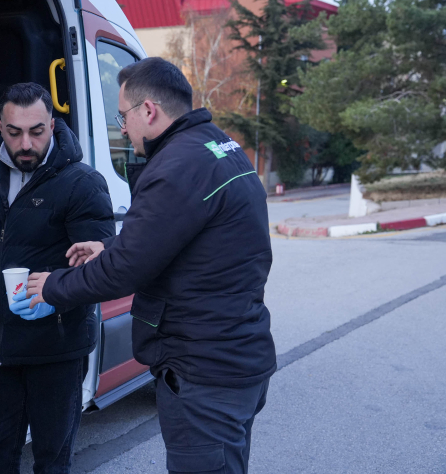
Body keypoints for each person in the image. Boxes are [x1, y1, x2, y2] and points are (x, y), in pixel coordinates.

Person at [25, 58, 276, 474]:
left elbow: (126, 270)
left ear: (148, 110)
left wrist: (53, 287)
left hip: (204, 372)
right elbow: (181, 238)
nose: (123, 129)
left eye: (123, 116)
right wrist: (109, 247)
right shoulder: (218, 146)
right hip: (238, 355)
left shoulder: (177, 167)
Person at [0, 82, 115, 473]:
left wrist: (56, 296)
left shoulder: (81, 183)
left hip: (56, 349)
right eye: (14, 132)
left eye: (36, 132)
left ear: (52, 125)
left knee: (51, 462)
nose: (25, 144)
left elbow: (99, 265)